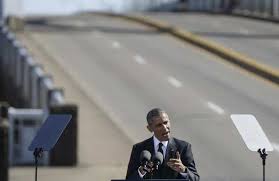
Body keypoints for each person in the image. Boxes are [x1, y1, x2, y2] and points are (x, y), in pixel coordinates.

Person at [126, 108, 199, 180]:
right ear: (150, 128)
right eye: (159, 125)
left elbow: (195, 178)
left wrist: (183, 170)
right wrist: (141, 172)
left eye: (166, 122)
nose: (165, 127)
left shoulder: (183, 148)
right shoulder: (139, 149)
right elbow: (129, 178)